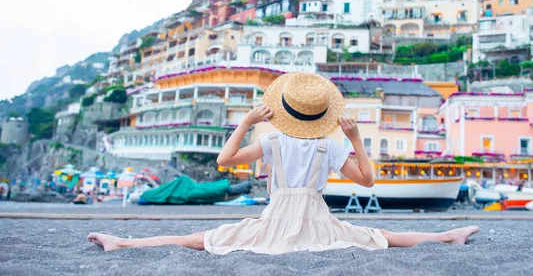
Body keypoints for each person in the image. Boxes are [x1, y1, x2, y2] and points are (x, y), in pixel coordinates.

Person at [88, 72, 479, 253]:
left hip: (276, 217)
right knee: (379, 237)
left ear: (285, 109)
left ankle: (123, 242)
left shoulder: (271, 139)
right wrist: (356, 138)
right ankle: (448, 236)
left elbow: (224, 160)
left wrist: (246, 121)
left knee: (203, 239)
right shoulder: (331, 144)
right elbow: (368, 181)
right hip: (317, 219)